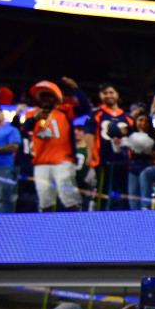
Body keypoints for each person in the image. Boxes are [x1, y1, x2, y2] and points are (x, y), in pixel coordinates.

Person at [25, 79, 90, 211]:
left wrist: (77, 89)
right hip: (41, 161)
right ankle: (47, 226)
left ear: (55, 98)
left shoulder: (65, 111)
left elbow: (85, 108)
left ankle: (75, 223)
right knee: (44, 197)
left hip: (63, 160)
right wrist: (34, 119)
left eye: (49, 95)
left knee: (68, 194)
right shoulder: (33, 114)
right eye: (43, 96)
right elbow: (26, 127)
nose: (46, 99)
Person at [83, 83, 134, 211]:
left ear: (117, 94)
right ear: (100, 96)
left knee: (125, 194)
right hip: (103, 160)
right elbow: (89, 135)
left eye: (111, 92)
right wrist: (89, 155)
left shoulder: (129, 118)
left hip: (124, 161)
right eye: (105, 93)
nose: (109, 95)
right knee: (102, 193)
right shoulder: (94, 114)